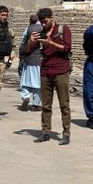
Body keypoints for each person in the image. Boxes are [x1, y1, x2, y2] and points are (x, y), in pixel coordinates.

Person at [32, 8, 73, 144]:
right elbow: (27, 51)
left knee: (64, 105)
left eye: (46, 21)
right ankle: (45, 132)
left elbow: (67, 48)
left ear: (51, 18)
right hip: (45, 72)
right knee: (46, 105)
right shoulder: (41, 33)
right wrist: (31, 41)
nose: (44, 24)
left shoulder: (63, 30)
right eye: (42, 22)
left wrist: (51, 43)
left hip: (61, 71)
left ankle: (66, 133)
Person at [19, 11, 44, 111]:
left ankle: (25, 97)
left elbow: (23, 43)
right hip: (40, 61)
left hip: (28, 60)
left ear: (30, 21)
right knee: (38, 85)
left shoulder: (28, 29)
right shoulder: (44, 29)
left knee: (25, 82)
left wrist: (21, 53)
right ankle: (35, 105)